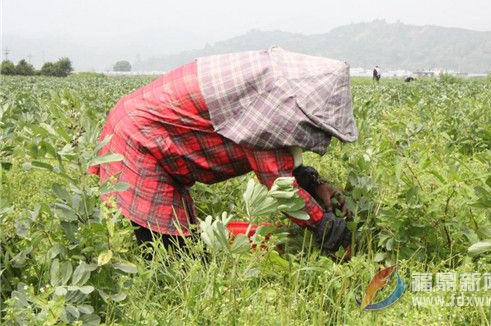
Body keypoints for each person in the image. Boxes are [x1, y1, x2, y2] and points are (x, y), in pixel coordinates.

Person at [89, 47, 358, 258]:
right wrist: (331, 231)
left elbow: (284, 157)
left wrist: (316, 184)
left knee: (187, 251)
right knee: (175, 258)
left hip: (148, 133)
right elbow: (282, 187)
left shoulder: (275, 90)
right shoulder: (267, 110)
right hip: (139, 140)